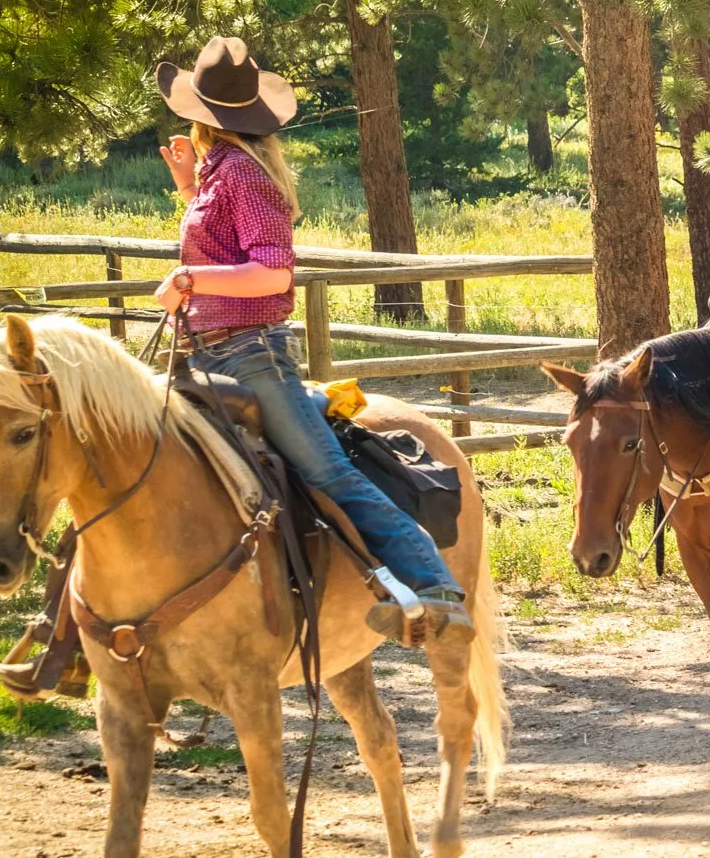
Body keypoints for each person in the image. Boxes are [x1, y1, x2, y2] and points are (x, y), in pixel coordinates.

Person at [152, 36, 471, 644]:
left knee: (329, 473)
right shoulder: (224, 171)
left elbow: (273, 272)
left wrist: (190, 277)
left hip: (249, 354)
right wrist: (190, 189)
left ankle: (435, 587)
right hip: (212, 350)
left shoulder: (244, 174)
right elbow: (228, 245)